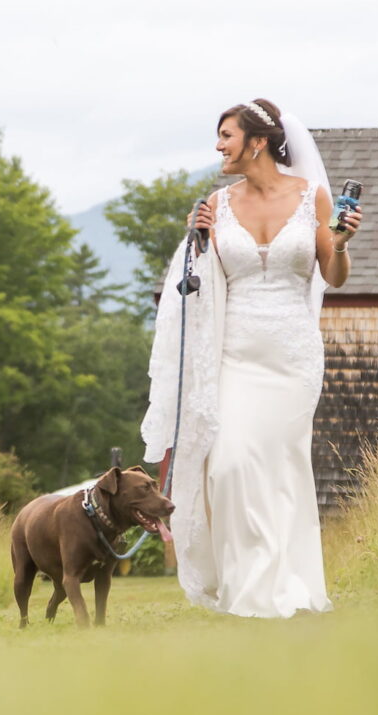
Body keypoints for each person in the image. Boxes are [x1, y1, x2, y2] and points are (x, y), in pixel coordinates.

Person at [141, 99, 361, 618]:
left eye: (226, 135)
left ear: (257, 142)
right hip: (232, 355)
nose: (218, 146)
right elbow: (194, 287)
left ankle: (287, 585)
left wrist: (343, 242)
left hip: (291, 355)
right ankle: (247, 589)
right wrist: (195, 240)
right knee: (231, 466)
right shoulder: (216, 206)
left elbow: (333, 275)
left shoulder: (313, 198)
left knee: (281, 468)